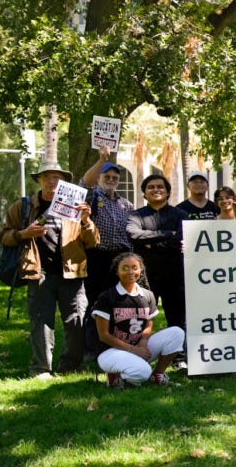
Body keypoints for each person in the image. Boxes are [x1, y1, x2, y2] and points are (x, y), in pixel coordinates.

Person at [0, 161, 100, 378]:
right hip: (38, 273)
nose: (52, 181)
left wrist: (86, 220)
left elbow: (92, 241)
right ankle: (41, 368)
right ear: (39, 180)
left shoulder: (75, 205)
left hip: (72, 273)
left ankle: (70, 366)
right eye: (46, 177)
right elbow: (3, 235)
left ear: (63, 182)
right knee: (41, 322)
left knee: (76, 321)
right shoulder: (24, 206)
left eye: (57, 177)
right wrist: (23, 234)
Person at [89, 252, 184, 387]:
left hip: (138, 347)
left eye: (134, 268)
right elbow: (104, 335)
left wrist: (143, 342)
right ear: (117, 271)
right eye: (125, 268)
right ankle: (115, 375)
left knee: (176, 333)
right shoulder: (107, 297)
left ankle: (157, 375)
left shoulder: (147, 295)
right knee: (142, 372)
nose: (130, 272)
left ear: (141, 270)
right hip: (110, 351)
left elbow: (149, 324)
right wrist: (133, 350)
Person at [127, 174, 188, 330]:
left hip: (175, 276)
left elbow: (181, 239)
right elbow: (133, 235)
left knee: (177, 322)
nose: (156, 190)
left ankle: (177, 347)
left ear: (168, 192)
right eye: (151, 187)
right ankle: (141, 346)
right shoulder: (136, 215)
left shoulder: (180, 214)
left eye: (160, 187)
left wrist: (149, 243)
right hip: (145, 277)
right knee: (140, 320)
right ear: (144, 193)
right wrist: (168, 234)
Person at [80, 146, 133, 306]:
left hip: (121, 258)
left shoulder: (126, 205)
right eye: (107, 176)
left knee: (120, 303)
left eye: (115, 177)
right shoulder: (92, 197)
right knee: (96, 301)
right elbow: (85, 184)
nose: (111, 180)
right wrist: (102, 160)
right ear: (98, 178)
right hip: (97, 258)